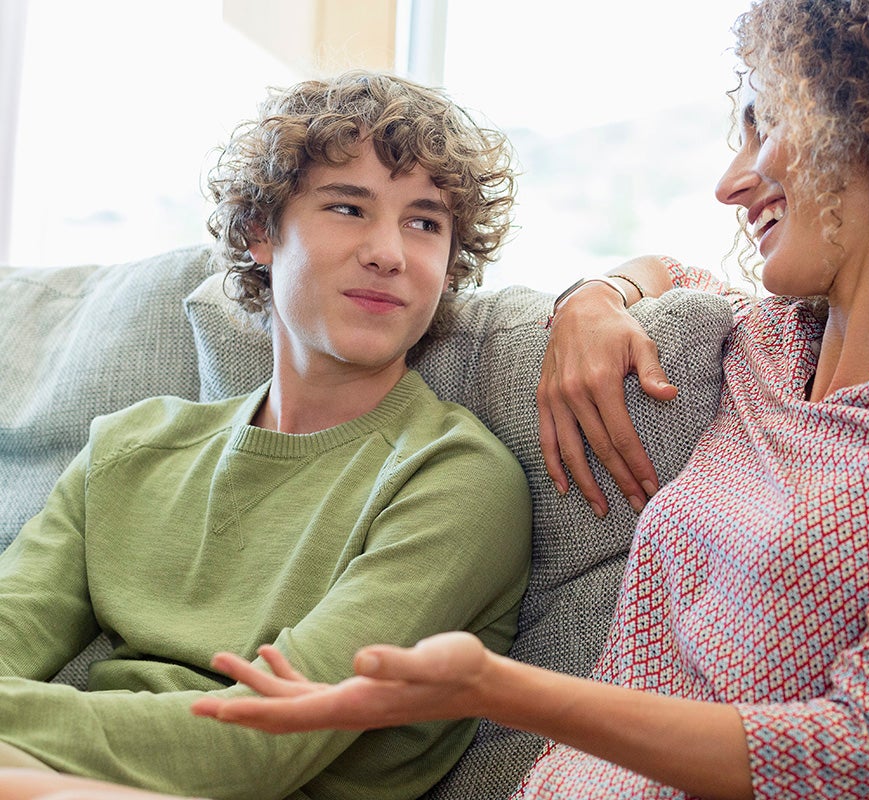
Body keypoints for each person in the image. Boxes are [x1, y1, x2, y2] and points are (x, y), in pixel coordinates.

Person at [12, 0, 869, 798]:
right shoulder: (758, 345)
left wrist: (504, 687)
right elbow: (674, 273)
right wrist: (596, 293)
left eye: (763, 120)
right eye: (346, 209)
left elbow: (866, 757)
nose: (730, 176)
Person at [0, 70, 531, 799]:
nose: (389, 252)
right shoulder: (129, 449)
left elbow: (260, 746)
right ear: (260, 233)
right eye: (349, 207)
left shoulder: (456, 476)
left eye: (424, 222)